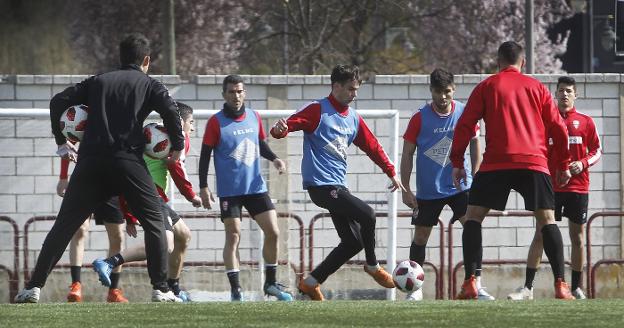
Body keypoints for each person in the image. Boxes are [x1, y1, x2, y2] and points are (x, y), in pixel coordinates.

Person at [15, 33, 185, 303]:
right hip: (128, 161)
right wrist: (177, 146)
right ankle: (161, 289)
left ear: (120, 58)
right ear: (147, 60)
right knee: (155, 224)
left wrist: (62, 143)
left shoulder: (99, 81)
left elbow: (58, 101)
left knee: (64, 227)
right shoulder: (150, 84)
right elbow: (171, 111)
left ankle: (33, 287)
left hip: (91, 161)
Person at [449, 41, 574, 300]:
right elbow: (559, 129)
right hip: (534, 162)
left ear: (498, 61)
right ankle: (561, 285)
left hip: (496, 162)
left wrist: (458, 163)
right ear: (523, 63)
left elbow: (464, 126)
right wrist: (562, 164)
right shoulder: (537, 87)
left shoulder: (486, 86)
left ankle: (471, 281)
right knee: (547, 221)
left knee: (473, 217)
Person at [271, 64, 405, 301]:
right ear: (336, 86)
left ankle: (311, 282)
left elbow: (372, 146)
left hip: (337, 187)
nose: (355, 94)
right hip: (321, 187)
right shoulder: (317, 110)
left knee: (353, 242)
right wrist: (279, 130)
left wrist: (391, 171)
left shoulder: (353, 118)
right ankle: (373, 267)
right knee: (368, 215)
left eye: (357, 89)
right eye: (351, 89)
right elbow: (287, 126)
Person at [92, 102, 201, 302]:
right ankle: (110, 263)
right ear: (179, 122)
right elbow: (177, 168)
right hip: (150, 195)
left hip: (147, 195)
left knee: (183, 235)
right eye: (191, 122)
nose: (192, 128)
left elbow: (128, 175)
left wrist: (129, 214)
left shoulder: (153, 133)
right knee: (165, 244)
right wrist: (192, 195)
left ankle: (173, 287)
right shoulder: (177, 138)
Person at [400, 68, 493, 301]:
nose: (443, 97)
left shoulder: (464, 112)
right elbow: (407, 153)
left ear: (454, 90)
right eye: (438, 92)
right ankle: (416, 290)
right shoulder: (419, 118)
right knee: (420, 236)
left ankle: (475, 284)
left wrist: (478, 176)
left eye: (448, 92)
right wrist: (406, 188)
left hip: (461, 186)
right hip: (429, 190)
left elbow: (474, 143)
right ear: (431, 91)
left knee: (472, 227)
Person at [198, 74, 293, 302]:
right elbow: (204, 156)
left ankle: (270, 283)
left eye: (240, 91)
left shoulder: (254, 117)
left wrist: (275, 159)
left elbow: (259, 143)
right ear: (224, 94)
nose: (236, 95)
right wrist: (203, 186)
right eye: (231, 91)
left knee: (274, 232)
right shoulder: (216, 122)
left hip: (255, 187)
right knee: (234, 236)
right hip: (230, 191)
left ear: (245, 93)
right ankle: (236, 290)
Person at [507, 76, 601, 300]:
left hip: (578, 188)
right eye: (561, 91)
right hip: (550, 187)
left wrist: (583, 163)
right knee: (540, 234)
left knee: (577, 237)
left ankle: (577, 287)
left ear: (576, 95)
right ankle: (528, 288)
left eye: (569, 91)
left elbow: (597, 149)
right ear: (555, 94)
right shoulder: (545, 121)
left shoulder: (586, 121)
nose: (565, 94)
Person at [58, 158, 127, 302]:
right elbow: (66, 145)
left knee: (118, 237)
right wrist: (63, 177)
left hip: (112, 183)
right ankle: (76, 285)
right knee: (80, 230)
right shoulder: (85, 134)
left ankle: (113, 290)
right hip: (85, 182)